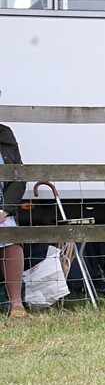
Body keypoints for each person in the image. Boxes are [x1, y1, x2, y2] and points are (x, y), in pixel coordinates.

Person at [0, 123, 28, 318]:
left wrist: (4, 209)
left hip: (1, 208)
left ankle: (16, 305)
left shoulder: (4, 133)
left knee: (10, 236)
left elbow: (19, 177)